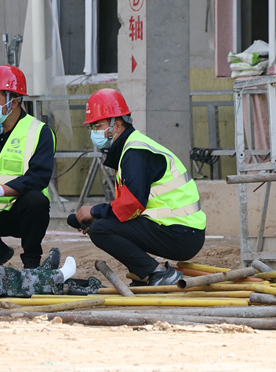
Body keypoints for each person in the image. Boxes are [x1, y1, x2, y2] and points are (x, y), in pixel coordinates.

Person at [74, 88, 206, 287]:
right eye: (92, 127)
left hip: (181, 233)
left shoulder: (135, 152)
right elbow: (128, 210)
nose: (94, 132)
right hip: (180, 230)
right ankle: (145, 274)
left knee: (100, 230)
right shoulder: (130, 149)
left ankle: (158, 273)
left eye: (98, 125)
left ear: (117, 125)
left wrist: (95, 212)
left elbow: (132, 204)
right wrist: (97, 217)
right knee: (100, 225)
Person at [0, 65, 56, 269]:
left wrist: (1, 190)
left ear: (13, 102)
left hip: (19, 211)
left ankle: (31, 264)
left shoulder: (39, 132)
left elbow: (38, 177)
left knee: (36, 201)